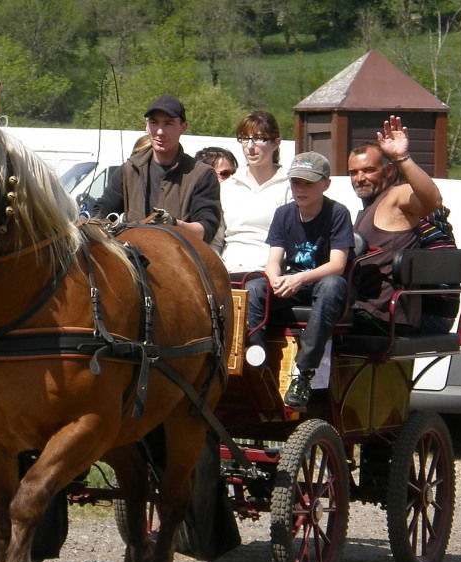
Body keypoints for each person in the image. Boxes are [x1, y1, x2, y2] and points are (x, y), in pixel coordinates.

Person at [247, 151, 353, 407]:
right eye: (296, 183)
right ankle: (255, 362)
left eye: (308, 183)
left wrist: (300, 279)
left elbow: (337, 265)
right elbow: (273, 260)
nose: (300, 189)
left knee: (332, 285)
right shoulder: (283, 213)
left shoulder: (338, 213)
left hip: (321, 283)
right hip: (292, 283)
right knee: (253, 287)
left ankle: (303, 374)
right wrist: (274, 279)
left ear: (326, 184)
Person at [347, 115, 443, 334]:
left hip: (383, 316)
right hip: (362, 310)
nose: (360, 178)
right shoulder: (366, 209)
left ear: (388, 171)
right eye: (353, 172)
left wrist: (402, 157)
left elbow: (432, 201)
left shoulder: (396, 197)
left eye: (369, 170)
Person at [91, 94, 221, 245]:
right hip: (133, 261)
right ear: (146, 126)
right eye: (154, 123)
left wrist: (173, 224)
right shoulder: (128, 170)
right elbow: (100, 212)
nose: (160, 131)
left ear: (183, 127)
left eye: (168, 124)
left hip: (181, 261)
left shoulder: (201, 174)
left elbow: (207, 230)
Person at [220, 111, 292, 275]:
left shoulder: (289, 186)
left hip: (267, 275)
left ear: (275, 143)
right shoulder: (228, 187)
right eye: (245, 138)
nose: (250, 146)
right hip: (227, 272)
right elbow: (217, 240)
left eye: (259, 138)